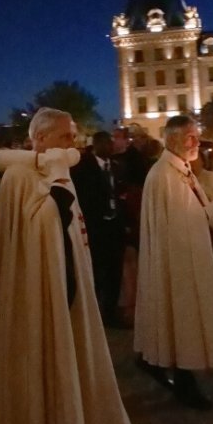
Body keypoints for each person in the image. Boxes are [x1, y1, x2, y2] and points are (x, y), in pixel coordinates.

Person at [0, 108, 145, 424]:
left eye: (75, 136)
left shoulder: (60, 173)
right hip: (33, 307)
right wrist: (59, 199)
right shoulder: (20, 177)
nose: (74, 145)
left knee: (91, 387)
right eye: (66, 137)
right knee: (18, 387)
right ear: (41, 140)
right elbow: (32, 235)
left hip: (73, 305)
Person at [134, 115, 213, 410]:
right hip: (176, 264)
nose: (196, 142)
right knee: (180, 316)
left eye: (196, 136)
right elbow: (182, 224)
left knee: (180, 318)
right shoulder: (163, 176)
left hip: (184, 259)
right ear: (173, 139)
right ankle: (182, 379)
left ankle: (172, 370)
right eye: (190, 137)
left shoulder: (180, 170)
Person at [72, 131, 127, 328]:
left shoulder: (117, 167)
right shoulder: (83, 168)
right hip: (96, 229)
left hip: (115, 228)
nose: (110, 147)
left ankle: (111, 314)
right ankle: (93, 316)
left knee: (115, 272)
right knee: (96, 272)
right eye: (106, 143)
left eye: (111, 143)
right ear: (96, 145)